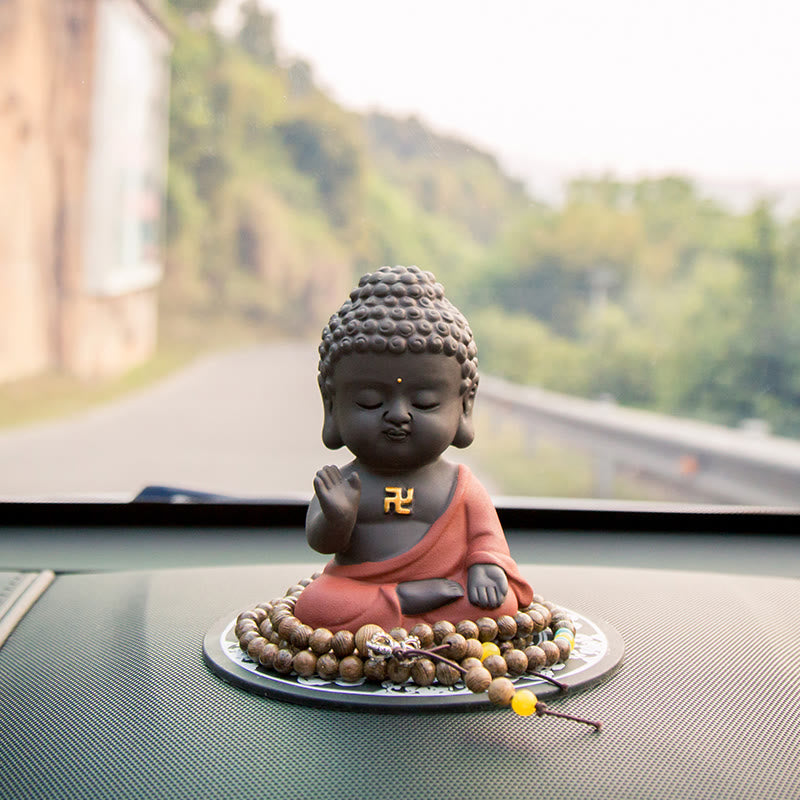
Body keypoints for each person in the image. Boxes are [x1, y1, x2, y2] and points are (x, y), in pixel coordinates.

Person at [293, 265, 533, 632]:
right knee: (317, 603)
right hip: (362, 586)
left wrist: (486, 565)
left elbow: (486, 537)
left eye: (424, 402)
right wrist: (337, 518)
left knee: (500, 604)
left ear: (464, 404)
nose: (398, 415)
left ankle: (397, 611)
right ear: (332, 405)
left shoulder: (461, 485)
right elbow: (322, 542)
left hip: (447, 589)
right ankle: (403, 600)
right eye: (370, 401)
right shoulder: (344, 483)